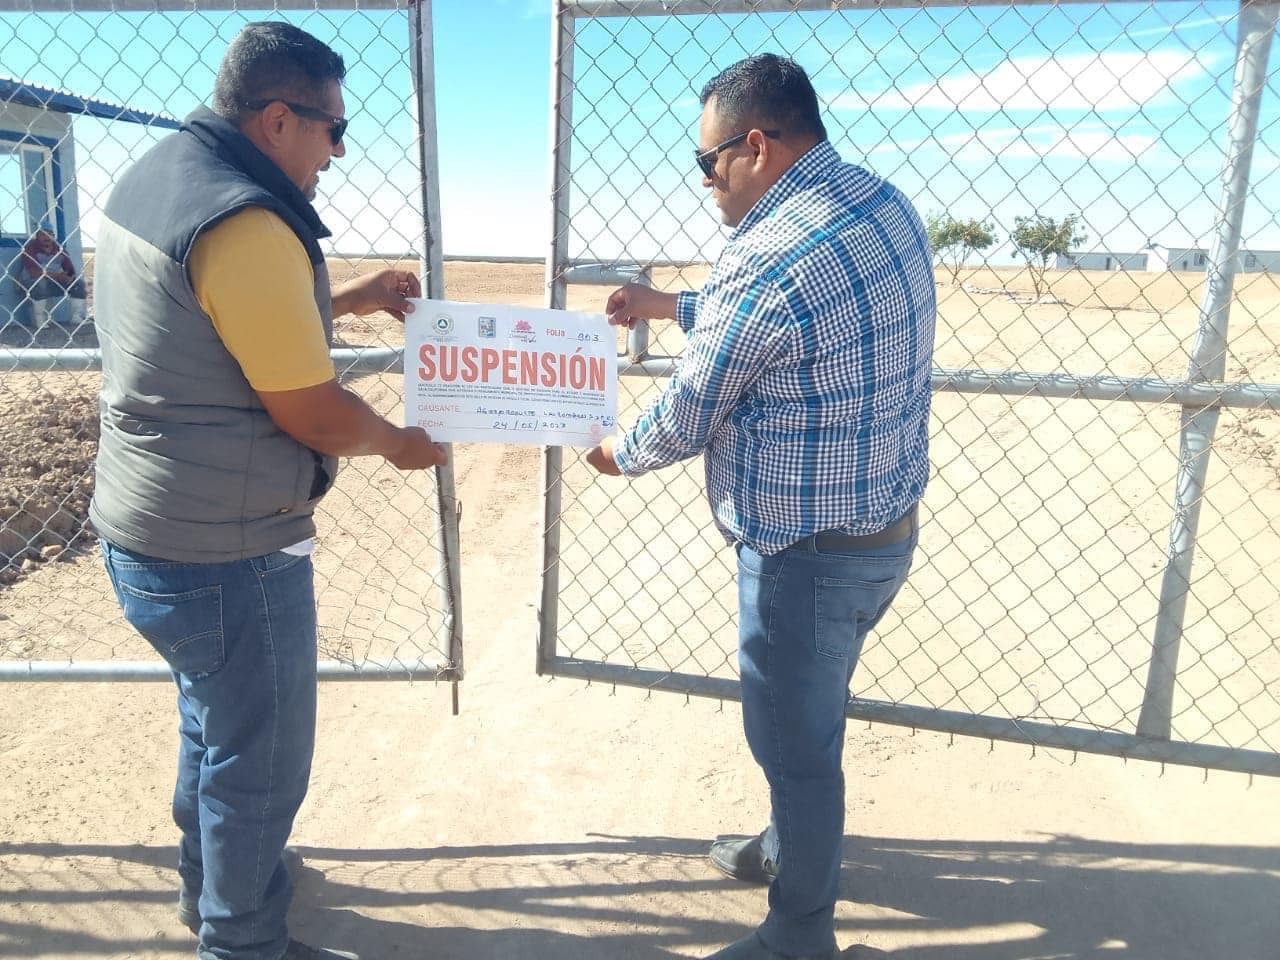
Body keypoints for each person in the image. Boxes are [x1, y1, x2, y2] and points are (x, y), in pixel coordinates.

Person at [89, 21, 447, 960]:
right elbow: (313, 410)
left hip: (148, 525)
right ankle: (241, 941)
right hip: (226, 546)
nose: (336, 151)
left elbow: (213, 320)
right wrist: (399, 441)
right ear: (279, 118)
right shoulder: (246, 219)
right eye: (333, 129)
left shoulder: (161, 176)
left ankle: (206, 889)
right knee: (261, 759)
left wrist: (351, 294)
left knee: (215, 724)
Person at [585, 53, 936, 960]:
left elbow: (693, 410)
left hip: (803, 559)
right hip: (882, 534)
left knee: (795, 745)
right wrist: (672, 303)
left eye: (707, 162)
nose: (704, 181)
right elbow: (786, 320)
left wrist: (614, 452)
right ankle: (788, 850)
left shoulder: (767, 255)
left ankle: (799, 933)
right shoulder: (880, 205)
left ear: (755, 145)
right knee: (811, 717)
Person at [18, 223, 88, 324]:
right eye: (43, 234)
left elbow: (70, 269)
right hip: (31, 282)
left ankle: (76, 317)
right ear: (37, 236)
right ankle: (40, 321)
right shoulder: (30, 248)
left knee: (78, 284)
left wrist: (68, 277)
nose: (47, 237)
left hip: (53, 280)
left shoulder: (59, 249)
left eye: (50, 234)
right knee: (41, 283)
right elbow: (33, 273)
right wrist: (57, 276)